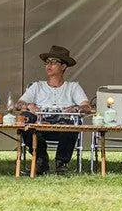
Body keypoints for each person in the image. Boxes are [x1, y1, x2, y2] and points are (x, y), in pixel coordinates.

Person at [16, 45, 92, 175]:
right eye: (47, 62)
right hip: (40, 125)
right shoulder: (37, 86)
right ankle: (40, 158)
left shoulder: (73, 87)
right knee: (25, 119)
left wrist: (74, 108)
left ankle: (61, 162)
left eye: (53, 62)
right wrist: (29, 106)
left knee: (74, 121)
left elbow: (86, 108)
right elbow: (18, 104)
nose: (49, 65)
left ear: (63, 67)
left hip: (63, 127)